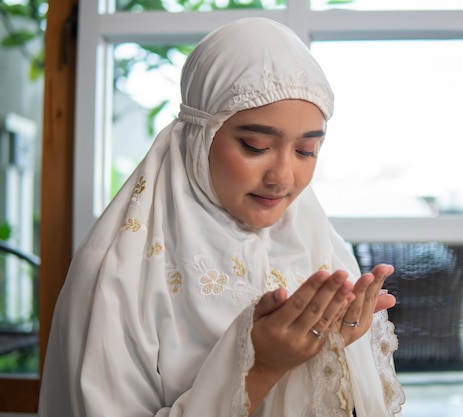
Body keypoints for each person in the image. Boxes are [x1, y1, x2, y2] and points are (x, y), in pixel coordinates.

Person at [38, 17, 405, 417]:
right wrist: (261, 365)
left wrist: (336, 348)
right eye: (255, 145)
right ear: (201, 136)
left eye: (305, 151)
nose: (283, 177)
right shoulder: (118, 274)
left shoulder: (315, 243)